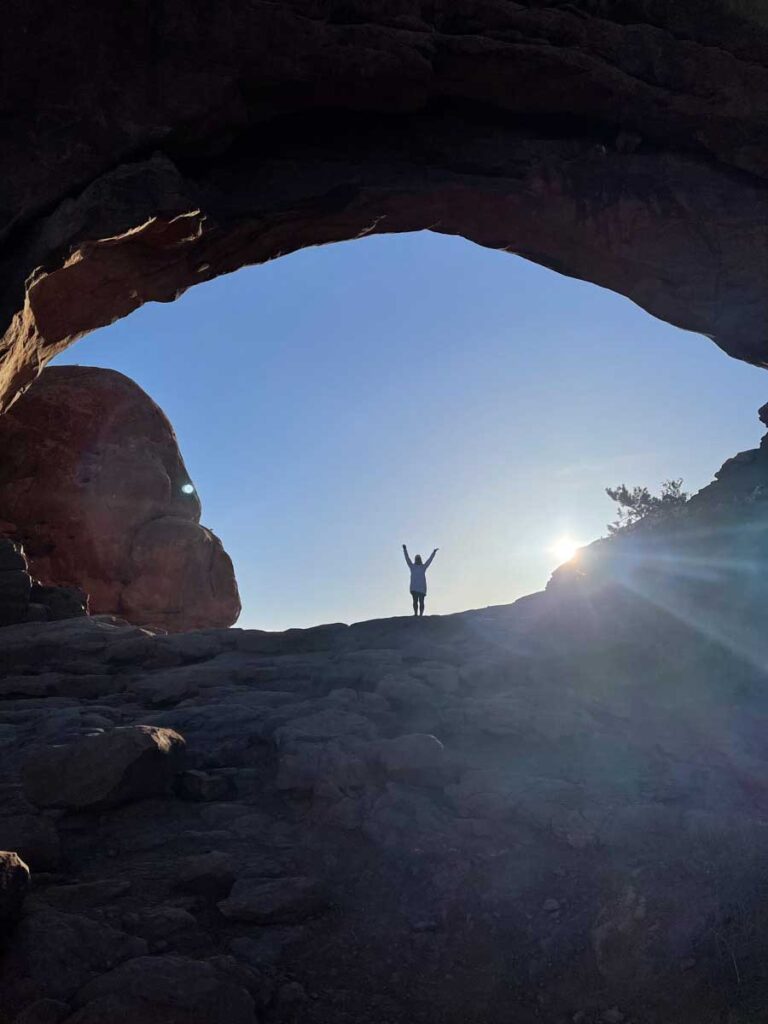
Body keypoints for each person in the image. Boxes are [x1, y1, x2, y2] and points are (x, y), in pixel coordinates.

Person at [402, 543, 438, 617]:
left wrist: (433, 553)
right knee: (415, 601)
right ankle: (416, 614)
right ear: (415, 559)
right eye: (417, 559)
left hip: (421, 588)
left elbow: (429, 560)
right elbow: (407, 558)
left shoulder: (423, 567)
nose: (418, 560)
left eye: (419, 558)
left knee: (421, 601)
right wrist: (405, 549)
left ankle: (421, 615)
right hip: (414, 587)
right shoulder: (412, 566)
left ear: (420, 559)